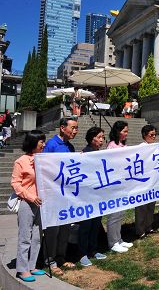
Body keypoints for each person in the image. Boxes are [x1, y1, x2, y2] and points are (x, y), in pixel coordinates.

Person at [43, 117, 79, 275]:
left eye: (77, 128)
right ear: (62, 128)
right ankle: (49, 260)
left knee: (65, 228)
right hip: (52, 195)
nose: (75, 131)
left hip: (66, 195)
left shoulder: (70, 147)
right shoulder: (51, 145)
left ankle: (61, 257)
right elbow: (43, 167)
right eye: (73, 128)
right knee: (53, 229)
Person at [12, 130, 46, 282]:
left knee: (37, 237)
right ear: (33, 143)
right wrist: (31, 197)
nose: (44, 145)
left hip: (41, 204)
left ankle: (32, 265)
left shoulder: (44, 159)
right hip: (27, 203)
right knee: (25, 237)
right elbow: (16, 184)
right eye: (41, 142)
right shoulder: (21, 161)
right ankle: (22, 269)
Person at [78, 127, 107, 267]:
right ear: (92, 138)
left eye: (103, 137)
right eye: (100, 137)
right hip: (86, 196)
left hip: (97, 194)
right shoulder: (85, 153)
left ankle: (93, 250)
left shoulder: (98, 153)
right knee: (86, 225)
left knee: (96, 223)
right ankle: (82, 253)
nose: (102, 140)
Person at [106, 120, 134, 253]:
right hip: (115, 184)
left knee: (121, 213)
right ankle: (112, 242)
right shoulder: (111, 146)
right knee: (114, 214)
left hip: (124, 182)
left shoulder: (122, 144)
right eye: (124, 131)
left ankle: (118, 239)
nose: (126, 134)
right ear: (118, 131)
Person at [135, 125, 158, 239]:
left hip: (153, 180)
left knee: (151, 206)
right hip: (143, 181)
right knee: (142, 207)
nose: (154, 137)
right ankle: (140, 230)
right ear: (145, 135)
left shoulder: (155, 146)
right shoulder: (141, 147)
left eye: (155, 134)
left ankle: (148, 226)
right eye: (151, 135)